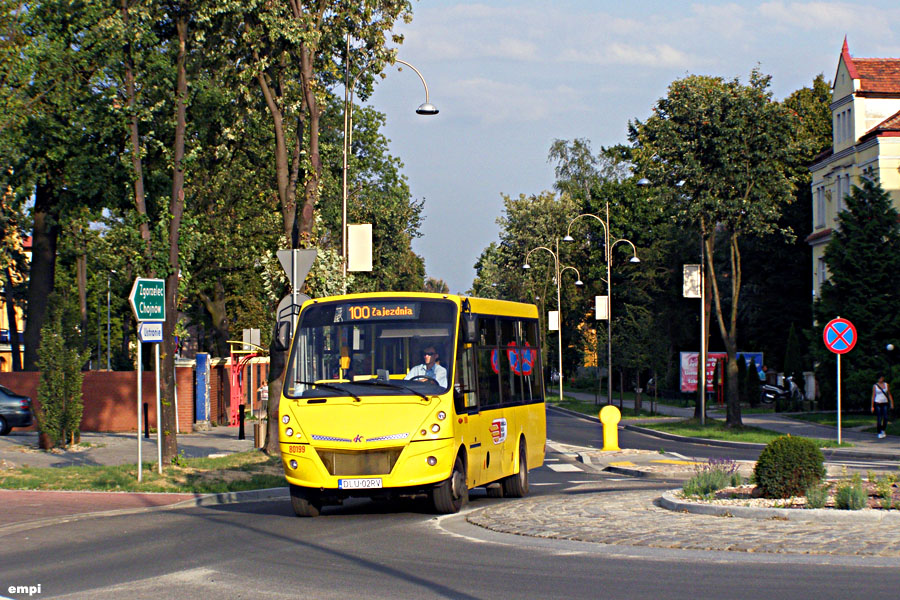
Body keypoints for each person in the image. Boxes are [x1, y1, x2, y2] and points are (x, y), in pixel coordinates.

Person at [871, 374, 894, 439]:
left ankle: (883, 430)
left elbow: (889, 394)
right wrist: (872, 406)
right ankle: (879, 432)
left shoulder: (886, 385)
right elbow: (873, 395)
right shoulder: (875, 386)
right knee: (879, 418)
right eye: (879, 378)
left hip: (884, 402)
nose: (880, 379)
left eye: (881, 378)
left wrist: (891, 403)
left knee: (885, 417)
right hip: (877, 402)